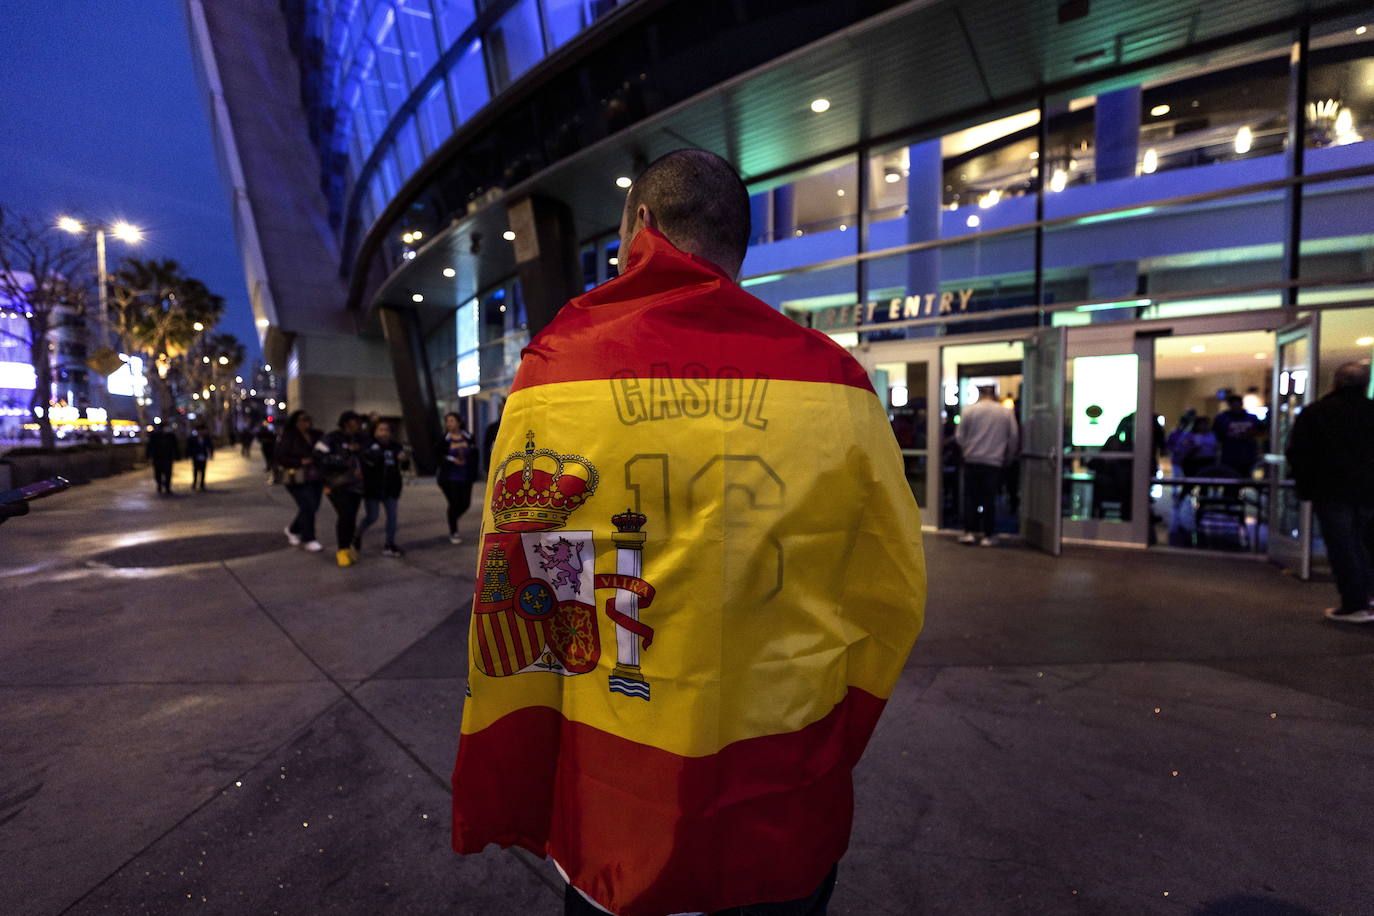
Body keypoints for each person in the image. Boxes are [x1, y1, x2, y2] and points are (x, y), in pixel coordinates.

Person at [449, 150, 925, 916]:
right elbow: (891, 595)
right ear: (741, 246)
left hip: (618, 807)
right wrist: (835, 735)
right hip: (779, 798)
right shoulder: (837, 385)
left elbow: (519, 589)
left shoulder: (558, 374)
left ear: (640, 223)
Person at [1286, 362, 1374, 624]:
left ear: (1336, 382)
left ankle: (1354, 603)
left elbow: (1299, 452)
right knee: (1364, 543)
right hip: (1368, 491)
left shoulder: (1317, 413)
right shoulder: (1371, 412)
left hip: (1332, 489)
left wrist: (1305, 486)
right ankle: (1366, 596)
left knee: (1342, 545)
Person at [954, 385, 1019, 545]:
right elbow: (1013, 437)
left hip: (972, 460)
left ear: (980, 394)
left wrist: (967, 450)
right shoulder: (1005, 412)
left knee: (970, 497)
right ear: (994, 394)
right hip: (994, 462)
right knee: (989, 499)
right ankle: (987, 535)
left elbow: (960, 437)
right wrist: (1008, 456)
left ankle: (969, 531)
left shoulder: (969, 410)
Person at [319, 410, 366, 567]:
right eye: (356, 422)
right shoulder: (331, 438)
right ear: (346, 423)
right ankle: (342, 550)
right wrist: (345, 458)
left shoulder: (360, 438)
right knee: (345, 515)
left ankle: (348, 547)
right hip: (337, 484)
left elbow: (368, 455)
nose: (359, 425)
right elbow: (318, 457)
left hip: (357, 485)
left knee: (351, 516)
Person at [357, 419, 409, 558]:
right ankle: (356, 535)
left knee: (392, 517)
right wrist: (378, 453)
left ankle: (389, 545)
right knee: (372, 517)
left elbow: (404, 466)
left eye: (387, 430)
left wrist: (404, 459)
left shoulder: (395, 446)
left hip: (391, 488)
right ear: (374, 431)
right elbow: (366, 462)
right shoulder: (368, 445)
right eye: (381, 430)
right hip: (373, 488)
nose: (384, 433)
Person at [275, 410, 324, 552]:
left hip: (315, 476)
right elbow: (280, 457)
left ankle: (292, 529)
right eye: (302, 419)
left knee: (312, 507)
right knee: (308, 505)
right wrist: (300, 461)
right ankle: (309, 539)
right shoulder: (289, 436)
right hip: (296, 478)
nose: (305, 422)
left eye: (308, 418)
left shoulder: (316, 434)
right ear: (295, 422)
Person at [436, 412, 478, 544]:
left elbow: (475, 454)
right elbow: (438, 456)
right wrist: (453, 460)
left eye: (452, 421)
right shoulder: (444, 439)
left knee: (465, 503)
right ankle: (453, 530)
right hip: (449, 478)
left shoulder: (468, 437)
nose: (449, 424)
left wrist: (473, 470)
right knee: (454, 503)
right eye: (447, 421)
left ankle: (452, 518)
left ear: (459, 422)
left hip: (465, 476)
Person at [1213, 394, 1263, 477]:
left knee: (1248, 479)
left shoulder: (1251, 418)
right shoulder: (1222, 418)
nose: (1236, 407)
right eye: (1234, 404)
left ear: (1241, 404)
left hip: (1249, 455)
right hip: (1229, 456)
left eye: (1237, 404)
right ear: (1230, 405)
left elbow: (1262, 432)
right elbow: (1217, 435)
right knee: (1230, 479)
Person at [145, 422, 179, 495]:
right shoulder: (154, 436)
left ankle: (167, 487)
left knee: (168, 473)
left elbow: (175, 446)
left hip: (168, 458)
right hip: (157, 458)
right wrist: (149, 456)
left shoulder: (171, 436)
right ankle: (160, 485)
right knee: (158, 473)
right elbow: (150, 446)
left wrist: (176, 455)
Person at [185, 424, 214, 491]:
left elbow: (210, 446)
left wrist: (211, 454)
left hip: (203, 456)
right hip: (196, 456)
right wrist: (189, 454)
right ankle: (195, 483)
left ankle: (202, 484)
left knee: (203, 470)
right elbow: (189, 447)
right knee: (195, 470)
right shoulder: (193, 438)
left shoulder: (206, 438)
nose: (201, 432)